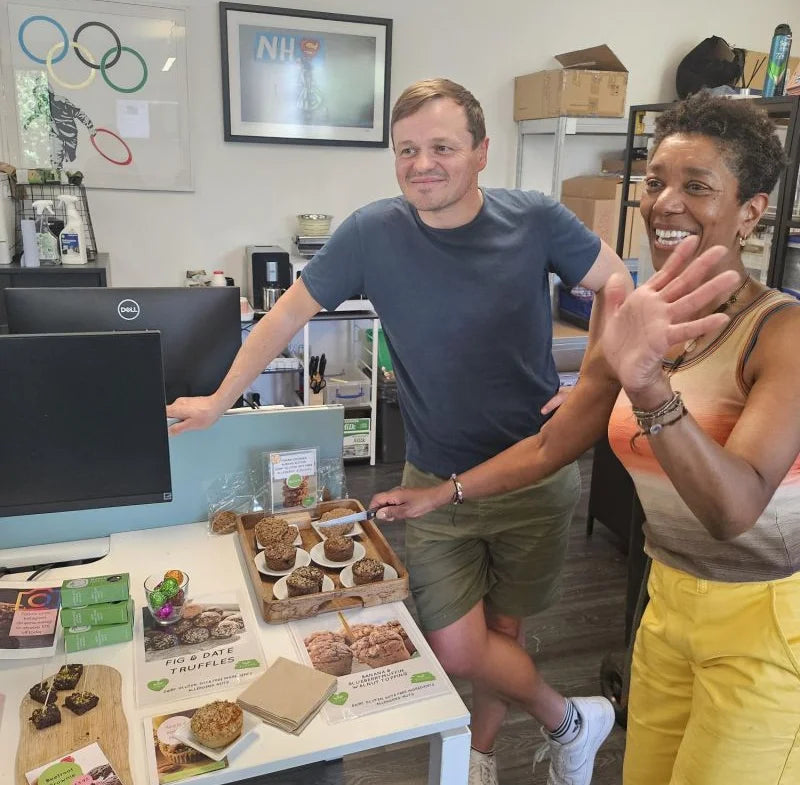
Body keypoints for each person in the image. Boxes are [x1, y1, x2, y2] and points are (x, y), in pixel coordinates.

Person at [168, 78, 632, 785]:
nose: (423, 164)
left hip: (535, 473)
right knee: (455, 645)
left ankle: (478, 755)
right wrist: (218, 400)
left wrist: (590, 389)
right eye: (407, 149)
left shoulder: (534, 218)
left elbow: (617, 281)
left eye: (442, 147)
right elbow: (283, 318)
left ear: (481, 152)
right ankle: (569, 718)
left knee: (502, 635)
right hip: (433, 479)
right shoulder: (370, 233)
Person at [371, 93, 800, 785]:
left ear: (751, 210)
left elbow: (735, 508)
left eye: (697, 186)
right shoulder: (639, 320)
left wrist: (651, 389)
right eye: (656, 180)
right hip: (666, 605)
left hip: (765, 620)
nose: (665, 202)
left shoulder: (782, 332)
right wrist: (443, 493)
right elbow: (549, 447)